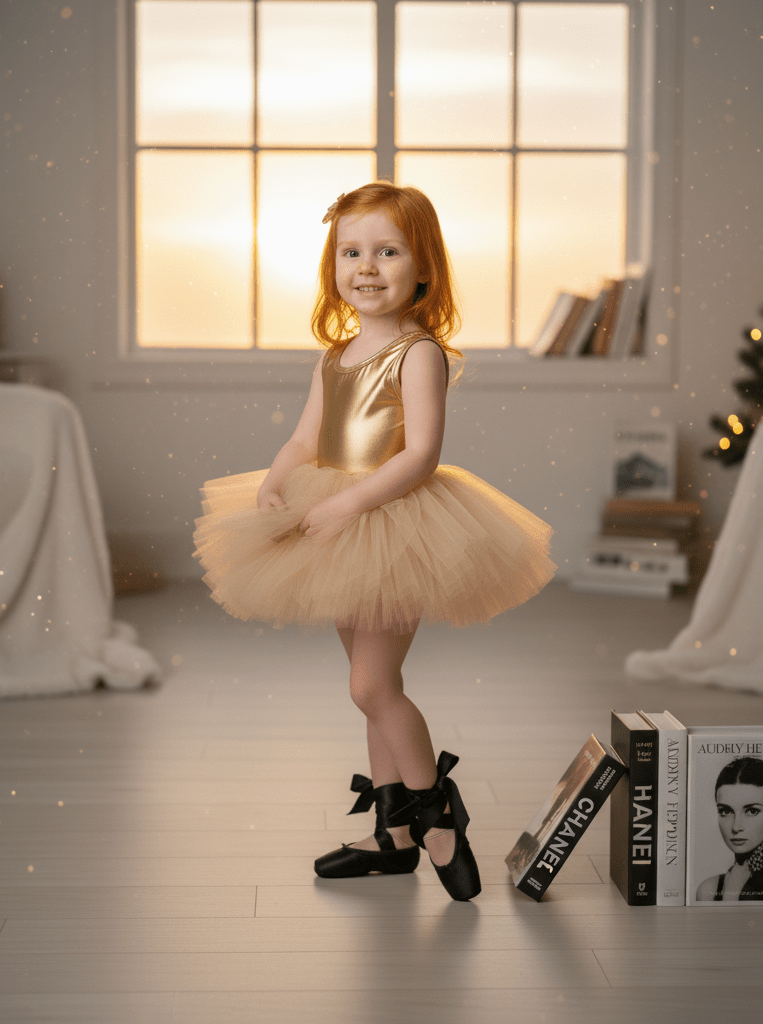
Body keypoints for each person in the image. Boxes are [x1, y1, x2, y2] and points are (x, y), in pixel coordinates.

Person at [193, 183, 555, 901]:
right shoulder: (333, 355)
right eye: (351, 252)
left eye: (387, 251)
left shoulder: (418, 353)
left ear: (423, 267)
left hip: (392, 521)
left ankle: (437, 812)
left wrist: (351, 503)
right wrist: (277, 478)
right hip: (330, 515)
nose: (367, 266)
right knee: (369, 687)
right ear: (333, 265)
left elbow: (419, 453)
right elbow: (306, 434)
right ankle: (392, 838)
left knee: (371, 684)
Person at [695, 756, 763, 902]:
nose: (736, 827)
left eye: (752, 811)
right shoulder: (708, 889)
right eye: (726, 811)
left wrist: (730, 895)